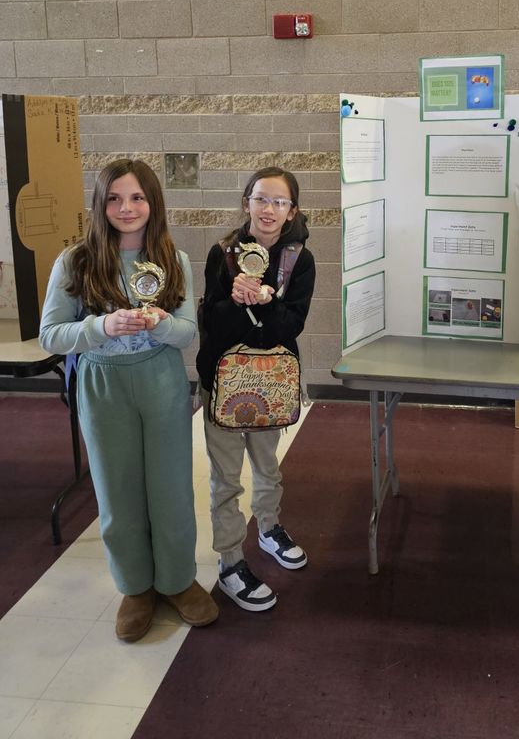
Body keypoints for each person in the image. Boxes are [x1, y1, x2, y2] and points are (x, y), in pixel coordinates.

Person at [39, 158, 218, 643]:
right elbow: (50, 335)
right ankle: (136, 587)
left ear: (153, 203)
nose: (127, 207)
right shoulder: (75, 261)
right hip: (102, 385)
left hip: (160, 381)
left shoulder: (171, 259)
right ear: (101, 205)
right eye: (115, 198)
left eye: (137, 197)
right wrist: (101, 326)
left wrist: (159, 322)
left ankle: (177, 581)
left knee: (171, 487)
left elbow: (186, 335)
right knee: (117, 490)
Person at [196, 167, 316, 613]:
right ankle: (230, 561)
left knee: (268, 465)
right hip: (225, 381)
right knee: (225, 478)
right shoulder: (222, 254)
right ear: (246, 201)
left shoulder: (299, 260)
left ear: (292, 211)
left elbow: (290, 328)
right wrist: (236, 299)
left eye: (279, 202)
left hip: (273, 380)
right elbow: (213, 324)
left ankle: (268, 528)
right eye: (261, 199)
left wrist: (267, 300)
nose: (269, 210)